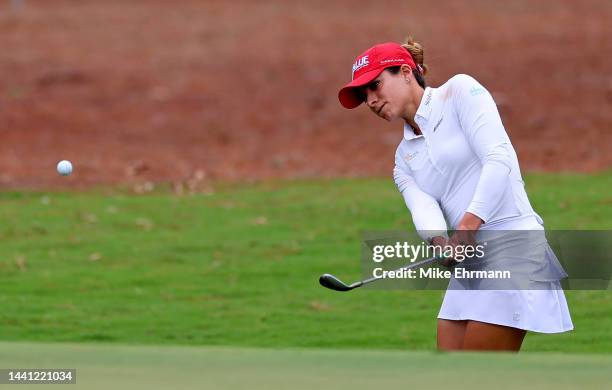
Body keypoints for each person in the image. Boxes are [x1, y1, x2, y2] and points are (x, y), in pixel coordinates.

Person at [337, 38, 573, 351]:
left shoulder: (460, 92)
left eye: (375, 86)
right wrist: (440, 242)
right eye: (363, 95)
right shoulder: (402, 159)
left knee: (477, 377)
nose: (370, 100)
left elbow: (499, 157)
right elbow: (423, 208)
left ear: (406, 72)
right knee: (449, 374)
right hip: (471, 260)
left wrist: (467, 226)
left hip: (513, 246)